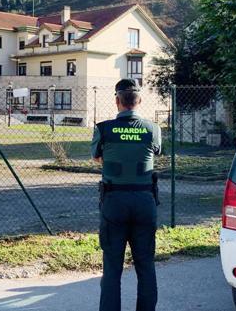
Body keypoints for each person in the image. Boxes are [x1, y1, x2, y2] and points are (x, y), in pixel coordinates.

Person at [91, 79, 162, 311]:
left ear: (117, 101)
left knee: (112, 268)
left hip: (114, 202)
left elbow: (98, 157)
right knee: (146, 265)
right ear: (139, 101)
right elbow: (154, 153)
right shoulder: (153, 129)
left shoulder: (103, 128)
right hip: (144, 201)